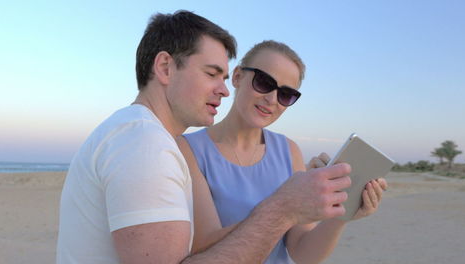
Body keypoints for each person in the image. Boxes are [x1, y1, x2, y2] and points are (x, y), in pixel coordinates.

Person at [56, 11, 352, 264]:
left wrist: (335, 209)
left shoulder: (140, 136)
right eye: (212, 74)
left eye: (287, 94)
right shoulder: (146, 145)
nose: (222, 90)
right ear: (164, 68)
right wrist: (285, 207)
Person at [178, 41, 388, 263]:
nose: (271, 100)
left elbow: (303, 254)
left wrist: (340, 214)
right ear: (238, 76)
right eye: (264, 82)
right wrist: (287, 205)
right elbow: (203, 248)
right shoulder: (188, 149)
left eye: (285, 94)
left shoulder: (289, 150)